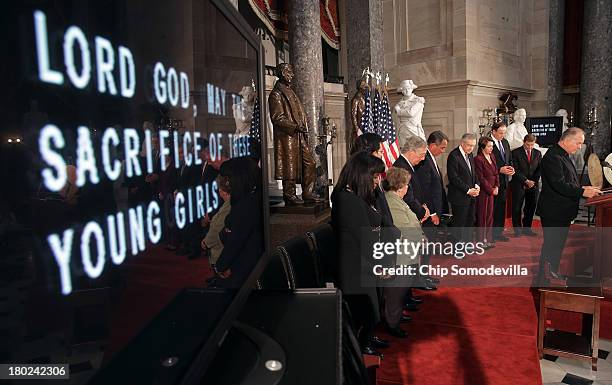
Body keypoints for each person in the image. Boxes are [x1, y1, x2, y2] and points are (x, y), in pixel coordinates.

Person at [331, 152, 386, 355]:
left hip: (364, 263)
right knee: (367, 311)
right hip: (355, 267)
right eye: (374, 176)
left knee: (373, 308)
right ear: (362, 175)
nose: (377, 181)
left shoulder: (355, 195)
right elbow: (364, 239)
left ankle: (366, 341)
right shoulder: (347, 199)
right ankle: (362, 348)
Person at [536, 128, 601, 283]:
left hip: (561, 210)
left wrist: (583, 188)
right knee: (552, 245)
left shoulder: (563, 155)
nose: (580, 147)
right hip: (554, 211)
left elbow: (569, 181)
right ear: (566, 140)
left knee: (557, 246)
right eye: (578, 143)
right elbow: (559, 184)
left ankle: (551, 274)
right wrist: (582, 192)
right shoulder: (553, 157)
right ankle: (544, 280)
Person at [268, 63, 322, 205]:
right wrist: (295, 126)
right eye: (289, 72)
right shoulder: (276, 94)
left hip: (298, 134)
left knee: (310, 163)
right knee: (289, 166)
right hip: (288, 136)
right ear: (282, 73)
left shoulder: (290, 91)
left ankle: (308, 192)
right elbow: (277, 118)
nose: (292, 75)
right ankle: (289, 195)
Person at [382, 167, 425, 338]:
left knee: (400, 290)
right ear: (400, 185)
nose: (408, 187)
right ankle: (392, 323)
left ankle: (396, 317)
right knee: (395, 292)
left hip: (407, 253)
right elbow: (403, 228)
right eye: (406, 184)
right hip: (400, 256)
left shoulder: (397, 199)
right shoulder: (392, 202)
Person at [213, 157, 264, 288]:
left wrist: (221, 265)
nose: (225, 182)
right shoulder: (254, 196)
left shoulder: (246, 204)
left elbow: (236, 240)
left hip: (245, 269)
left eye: (227, 179)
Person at [447, 133, 480, 242]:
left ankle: (467, 245)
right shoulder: (453, 156)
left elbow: (473, 173)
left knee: (469, 223)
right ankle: (458, 249)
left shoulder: (470, 155)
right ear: (462, 143)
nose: (471, 148)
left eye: (473, 146)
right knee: (459, 225)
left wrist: (477, 185)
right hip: (459, 197)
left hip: (471, 197)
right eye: (469, 145)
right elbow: (454, 178)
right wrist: (468, 190)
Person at [511, 134, 541, 236]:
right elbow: (515, 169)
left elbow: (539, 169)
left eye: (532, 145)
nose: (530, 147)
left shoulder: (538, 153)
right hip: (518, 183)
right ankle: (517, 230)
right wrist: (525, 181)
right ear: (524, 142)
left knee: (530, 207)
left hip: (533, 184)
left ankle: (527, 229)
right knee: (517, 207)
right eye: (528, 145)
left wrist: (533, 182)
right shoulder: (515, 153)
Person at [489, 122, 514, 241]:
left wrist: (511, 168)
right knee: (492, 209)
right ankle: (490, 235)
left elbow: (509, 158)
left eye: (504, 133)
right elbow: (484, 164)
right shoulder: (486, 143)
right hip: (492, 182)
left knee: (501, 208)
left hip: (504, 181)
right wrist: (499, 169)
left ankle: (499, 233)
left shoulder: (505, 142)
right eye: (500, 133)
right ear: (493, 131)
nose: (503, 135)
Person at [474, 137, 499, 248]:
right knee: (482, 217)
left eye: (492, 146)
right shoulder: (478, 159)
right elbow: (481, 177)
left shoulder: (492, 156)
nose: (491, 148)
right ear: (483, 147)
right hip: (484, 192)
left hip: (493, 191)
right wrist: (491, 189)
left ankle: (488, 239)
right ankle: (481, 240)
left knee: (490, 216)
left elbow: (496, 173)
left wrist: (497, 186)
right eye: (489, 146)